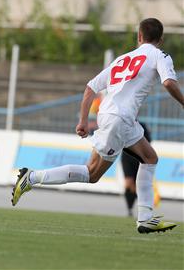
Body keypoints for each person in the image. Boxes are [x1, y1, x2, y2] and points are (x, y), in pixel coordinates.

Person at [11, 18, 184, 234]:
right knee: (92, 174)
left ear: (139, 36)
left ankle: (145, 218)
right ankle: (32, 177)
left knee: (150, 158)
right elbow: (168, 82)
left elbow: (90, 88)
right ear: (161, 39)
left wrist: (83, 120)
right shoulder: (161, 55)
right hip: (119, 119)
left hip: (116, 117)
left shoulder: (124, 58)